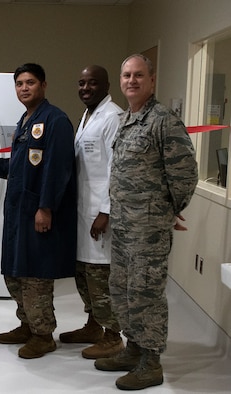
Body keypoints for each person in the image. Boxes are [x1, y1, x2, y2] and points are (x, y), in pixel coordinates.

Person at [94, 54, 198, 390]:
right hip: (123, 227)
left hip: (147, 231)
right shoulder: (127, 119)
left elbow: (185, 173)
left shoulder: (163, 120)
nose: (132, 81)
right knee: (123, 291)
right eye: (126, 75)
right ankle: (133, 348)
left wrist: (167, 210)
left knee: (146, 293)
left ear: (151, 80)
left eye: (139, 75)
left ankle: (151, 362)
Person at [0, 63, 77, 359]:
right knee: (15, 272)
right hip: (18, 212)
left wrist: (45, 208)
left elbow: (57, 170)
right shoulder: (25, 120)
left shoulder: (56, 121)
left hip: (37, 211)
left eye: (30, 82)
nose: (24, 88)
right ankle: (27, 325)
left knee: (35, 275)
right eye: (19, 83)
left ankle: (43, 335)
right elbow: (24, 166)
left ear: (43, 85)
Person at [59, 65, 124, 359]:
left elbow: (115, 169)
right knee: (84, 274)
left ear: (107, 85)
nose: (85, 88)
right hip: (82, 210)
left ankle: (112, 337)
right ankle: (93, 325)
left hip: (100, 212)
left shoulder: (112, 117)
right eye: (81, 82)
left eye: (92, 83)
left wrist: (105, 211)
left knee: (100, 277)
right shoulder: (88, 116)